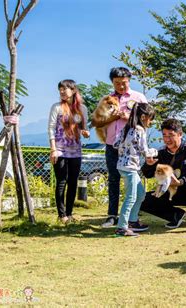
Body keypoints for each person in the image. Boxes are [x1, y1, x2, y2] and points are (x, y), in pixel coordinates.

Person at [91, 67, 148, 228]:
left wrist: (129, 117)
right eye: (117, 83)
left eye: (123, 83)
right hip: (111, 145)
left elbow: (147, 120)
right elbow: (95, 122)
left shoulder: (138, 97)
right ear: (112, 82)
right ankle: (112, 215)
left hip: (131, 148)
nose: (121, 87)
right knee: (113, 180)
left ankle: (131, 216)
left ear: (129, 80)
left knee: (132, 182)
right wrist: (113, 117)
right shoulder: (106, 99)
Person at [141, 119, 186, 234]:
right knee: (141, 199)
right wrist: (148, 164)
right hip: (172, 193)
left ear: (180, 134)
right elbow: (146, 174)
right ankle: (176, 215)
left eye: (171, 135)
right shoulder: (161, 152)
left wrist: (180, 182)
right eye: (164, 135)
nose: (167, 139)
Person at [48, 79, 89, 224]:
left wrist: (85, 132)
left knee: (73, 182)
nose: (61, 92)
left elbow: (84, 128)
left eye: (64, 89)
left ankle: (69, 214)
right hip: (59, 150)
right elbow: (51, 128)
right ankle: (61, 215)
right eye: (60, 89)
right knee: (61, 182)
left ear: (73, 90)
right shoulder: (57, 107)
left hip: (76, 150)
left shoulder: (82, 109)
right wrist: (53, 149)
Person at [113, 103, 155, 236]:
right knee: (130, 197)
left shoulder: (127, 128)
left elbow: (115, 144)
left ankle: (132, 220)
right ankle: (122, 227)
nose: (151, 121)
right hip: (130, 167)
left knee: (140, 194)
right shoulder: (139, 130)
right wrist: (156, 152)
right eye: (150, 118)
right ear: (143, 117)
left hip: (123, 166)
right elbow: (145, 150)